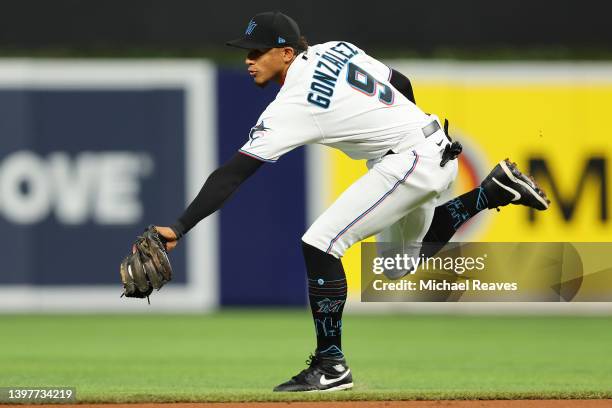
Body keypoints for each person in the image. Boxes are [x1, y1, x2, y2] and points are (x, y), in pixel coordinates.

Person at [153, 11, 550, 392]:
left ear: (286, 53)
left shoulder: (292, 104)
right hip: (431, 147)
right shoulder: (336, 48)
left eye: (258, 51)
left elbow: (233, 174)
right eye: (247, 51)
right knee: (396, 266)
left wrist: (179, 226)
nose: (249, 59)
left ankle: (331, 365)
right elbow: (402, 81)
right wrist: (407, 129)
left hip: (410, 160)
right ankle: (492, 191)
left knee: (321, 243)